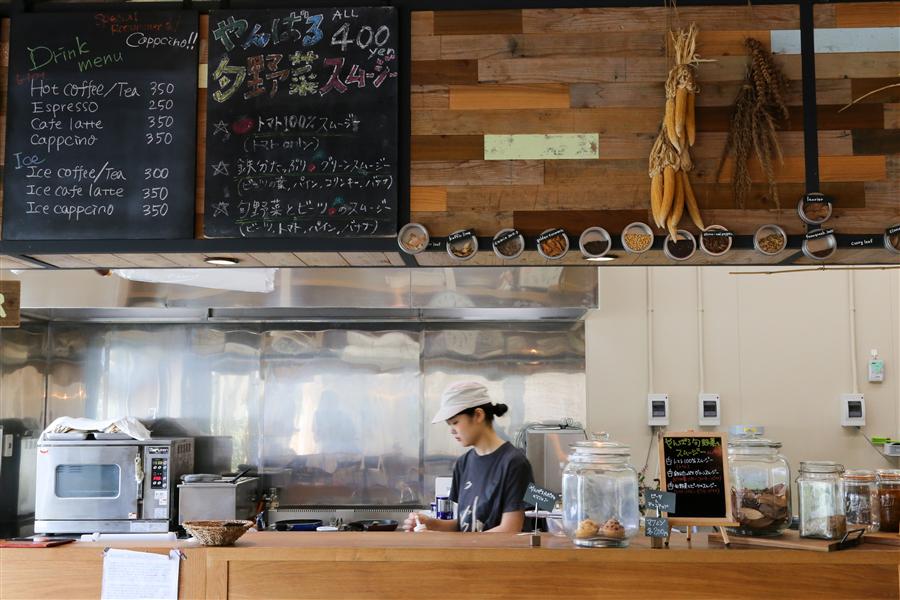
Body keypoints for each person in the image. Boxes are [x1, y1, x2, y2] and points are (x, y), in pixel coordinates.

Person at [403, 381, 534, 533]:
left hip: (499, 557)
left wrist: (436, 538)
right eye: (449, 424)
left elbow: (510, 529)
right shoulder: (463, 463)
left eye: (455, 422)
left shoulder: (514, 463)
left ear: (478, 415)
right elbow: (464, 524)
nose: (452, 431)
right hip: (468, 556)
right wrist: (430, 523)